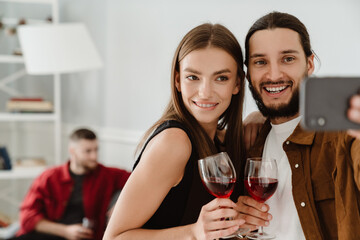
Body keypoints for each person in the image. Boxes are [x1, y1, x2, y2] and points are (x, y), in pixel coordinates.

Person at [103, 23, 247, 240]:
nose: (205, 92)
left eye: (221, 78)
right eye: (193, 77)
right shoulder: (174, 143)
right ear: (178, 80)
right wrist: (193, 232)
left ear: (237, 84)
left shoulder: (223, 141)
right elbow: (114, 238)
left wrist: (242, 225)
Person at [236, 11, 360, 240]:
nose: (273, 74)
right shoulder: (251, 140)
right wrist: (240, 228)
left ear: (310, 63)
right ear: (247, 74)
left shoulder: (344, 133)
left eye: (288, 59)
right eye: (260, 62)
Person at [10, 128, 131, 240]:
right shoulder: (49, 177)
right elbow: (27, 218)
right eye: (88, 151)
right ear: (72, 151)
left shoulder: (106, 174)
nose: (94, 156)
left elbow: (138, 181)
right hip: (51, 233)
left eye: (96, 150)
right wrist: (65, 231)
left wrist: (121, 203)